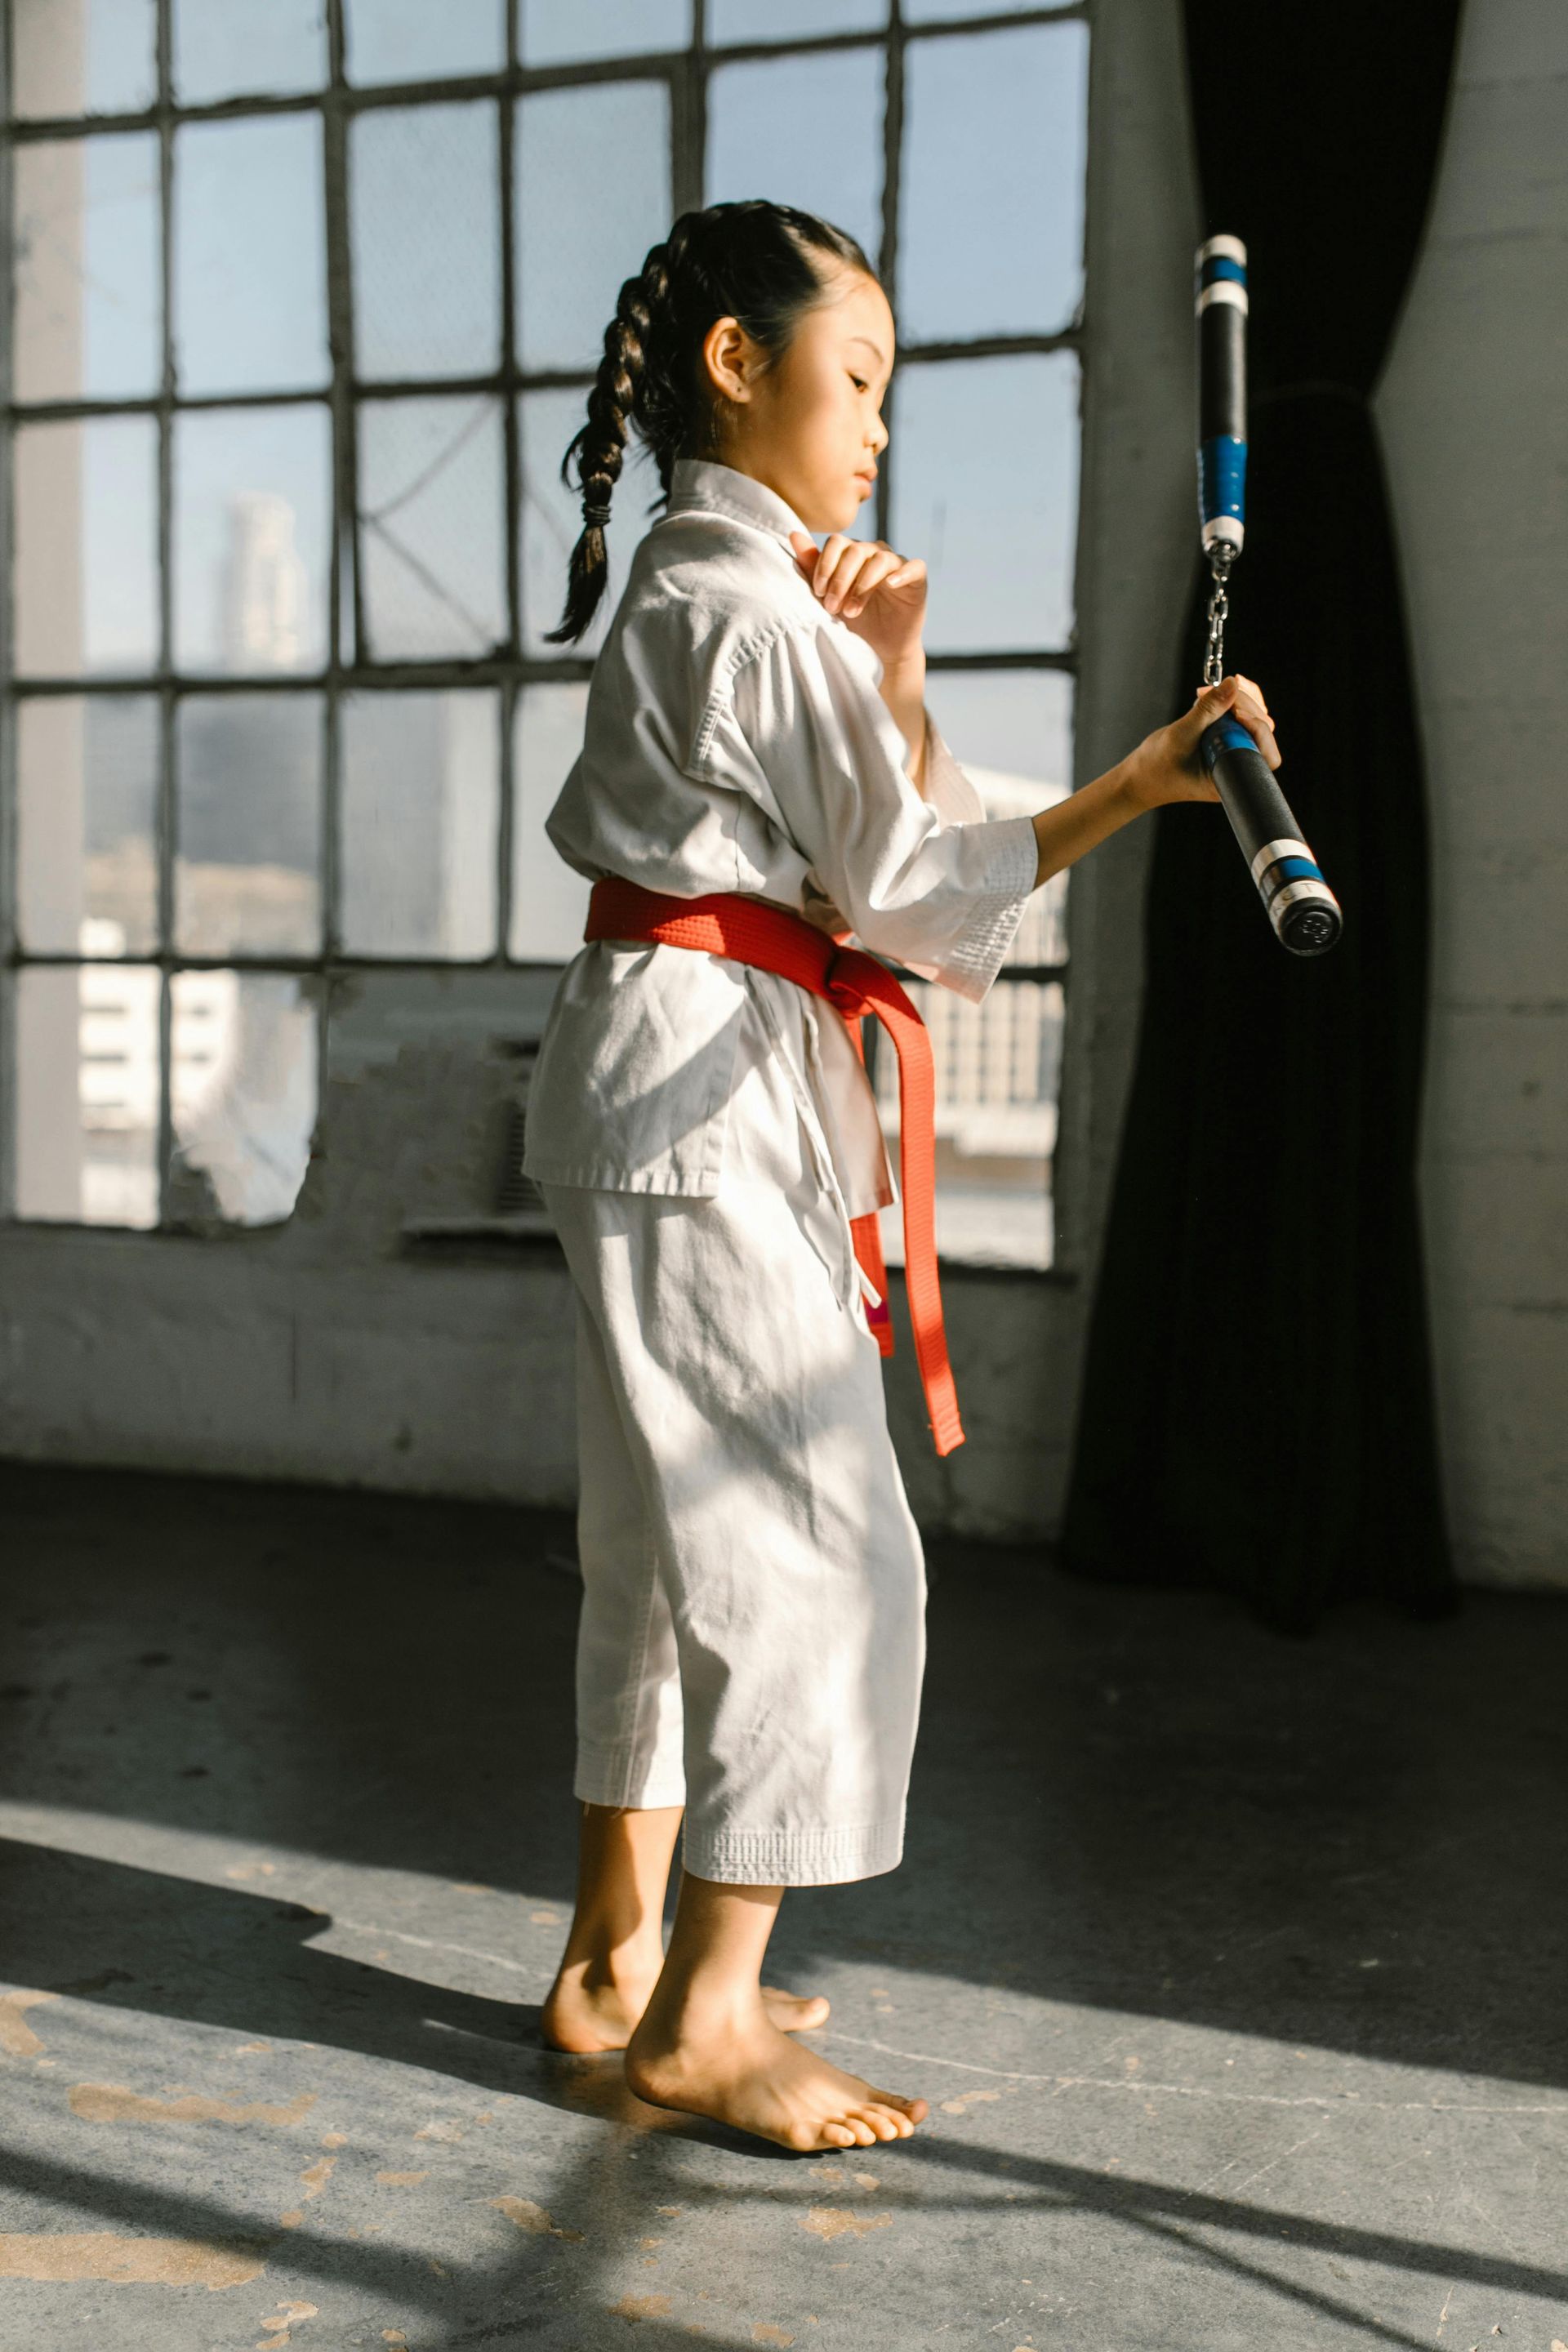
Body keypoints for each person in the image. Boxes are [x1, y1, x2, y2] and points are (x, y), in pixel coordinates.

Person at [521, 201, 1279, 2154]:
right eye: (854, 380)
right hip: (703, 1097)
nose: (874, 430)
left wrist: (904, 661)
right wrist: (1139, 784)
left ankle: (616, 1956)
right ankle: (703, 2018)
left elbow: (865, 835)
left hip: (664, 1086)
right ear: (734, 366)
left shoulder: (732, 597)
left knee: (661, 1547)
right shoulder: (742, 607)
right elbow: (922, 887)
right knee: (815, 1557)